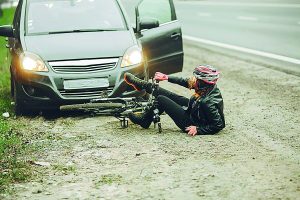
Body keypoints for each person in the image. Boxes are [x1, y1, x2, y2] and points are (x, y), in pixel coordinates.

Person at [124, 65, 225, 136]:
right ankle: (143, 85)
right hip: (195, 109)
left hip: (190, 122)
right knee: (169, 94)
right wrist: (166, 77)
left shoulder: (207, 102)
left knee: (161, 99)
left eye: (197, 78)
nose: (194, 80)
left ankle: (144, 120)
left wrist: (198, 129)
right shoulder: (207, 87)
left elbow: (219, 124)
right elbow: (185, 81)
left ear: (203, 82)